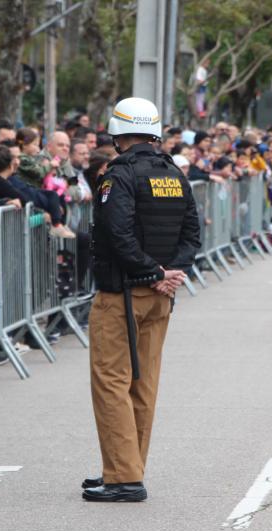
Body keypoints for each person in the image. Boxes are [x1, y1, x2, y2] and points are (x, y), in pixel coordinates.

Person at [83, 97, 200, 503]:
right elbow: (192, 235)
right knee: (143, 383)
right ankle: (127, 469)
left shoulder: (119, 175)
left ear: (118, 134)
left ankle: (122, 477)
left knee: (111, 381)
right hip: (160, 296)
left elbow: (117, 234)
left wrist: (152, 272)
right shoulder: (174, 173)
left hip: (124, 292)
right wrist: (170, 275)